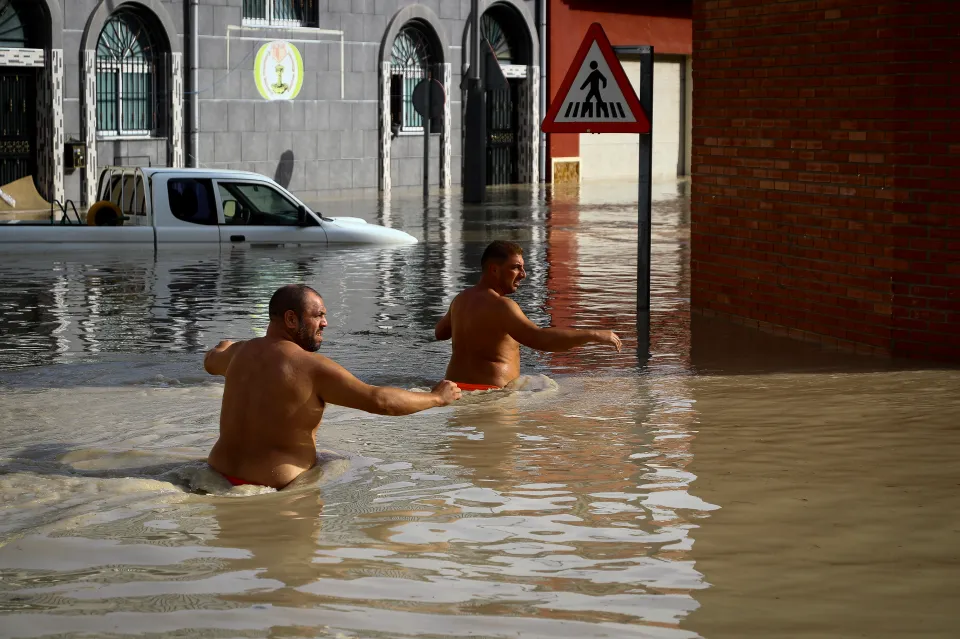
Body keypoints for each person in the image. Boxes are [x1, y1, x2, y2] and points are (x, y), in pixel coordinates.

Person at [203, 284, 461, 489]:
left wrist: (225, 345)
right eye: (318, 315)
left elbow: (210, 361)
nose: (325, 323)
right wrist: (436, 398)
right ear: (291, 319)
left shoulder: (237, 354)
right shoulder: (311, 367)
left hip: (215, 475)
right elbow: (378, 400)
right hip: (275, 487)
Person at [434, 240, 622, 390]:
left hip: (454, 390)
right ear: (494, 269)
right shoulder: (503, 306)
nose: (523, 274)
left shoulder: (460, 299)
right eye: (516, 267)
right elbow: (540, 339)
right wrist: (594, 335)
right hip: (491, 395)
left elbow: (440, 333)